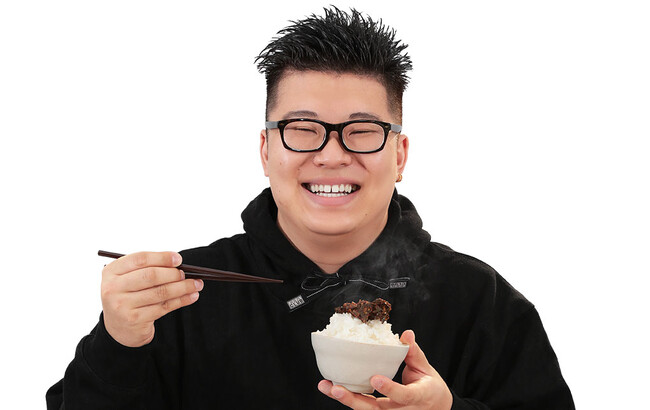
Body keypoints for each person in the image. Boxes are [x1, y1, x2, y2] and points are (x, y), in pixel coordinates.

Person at [46, 7, 574, 409]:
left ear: (399, 155)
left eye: (362, 131)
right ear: (265, 150)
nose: (331, 155)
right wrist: (119, 342)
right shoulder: (182, 294)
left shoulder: (482, 302)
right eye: (302, 129)